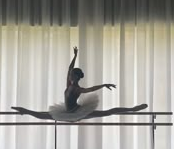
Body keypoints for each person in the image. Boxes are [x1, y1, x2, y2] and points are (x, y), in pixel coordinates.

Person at [11, 47, 148, 121]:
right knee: (43, 115)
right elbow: (69, 69)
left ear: (76, 77)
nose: (69, 75)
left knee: (108, 112)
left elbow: (90, 89)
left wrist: (104, 84)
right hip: (66, 111)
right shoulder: (69, 84)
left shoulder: (76, 88)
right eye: (70, 75)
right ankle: (25, 111)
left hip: (77, 112)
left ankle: (133, 109)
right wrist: (75, 56)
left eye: (72, 75)